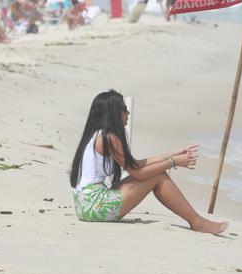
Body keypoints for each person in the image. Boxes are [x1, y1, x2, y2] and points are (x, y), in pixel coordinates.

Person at [70, 90, 229, 234]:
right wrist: (173, 162)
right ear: (114, 113)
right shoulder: (109, 137)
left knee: (157, 173)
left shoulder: (97, 134)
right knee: (158, 176)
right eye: (125, 109)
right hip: (94, 206)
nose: (128, 113)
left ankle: (197, 222)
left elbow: (135, 164)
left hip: (84, 205)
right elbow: (138, 174)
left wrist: (170, 155)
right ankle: (197, 222)